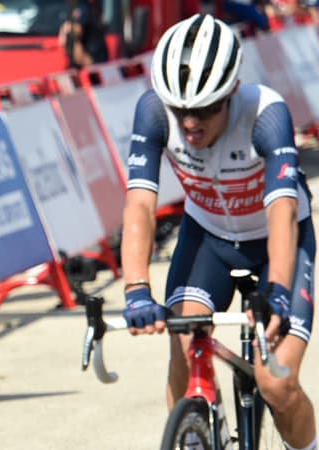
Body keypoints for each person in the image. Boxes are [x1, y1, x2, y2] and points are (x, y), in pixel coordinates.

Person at [121, 13, 316, 449]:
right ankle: (193, 431)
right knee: (183, 336)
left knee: (276, 384)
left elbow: (283, 211)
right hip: (208, 238)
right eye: (181, 110)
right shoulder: (152, 111)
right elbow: (139, 205)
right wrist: (136, 288)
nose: (190, 123)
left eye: (206, 110)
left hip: (276, 245)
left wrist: (280, 290)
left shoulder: (265, 113)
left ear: (230, 93)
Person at [56, 0, 108, 69]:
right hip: (81, 61)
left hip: (92, 56)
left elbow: (77, 29)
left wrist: (66, 29)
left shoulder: (81, 5)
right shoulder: (68, 6)